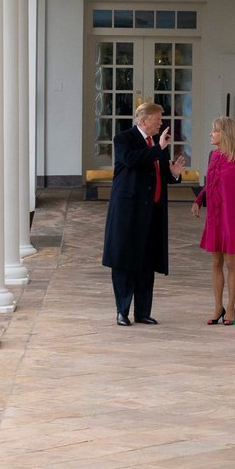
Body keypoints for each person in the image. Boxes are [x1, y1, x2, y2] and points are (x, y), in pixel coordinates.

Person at [102, 102, 186, 326]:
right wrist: (157, 149)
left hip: (152, 211)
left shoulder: (156, 144)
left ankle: (143, 312)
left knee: (147, 262)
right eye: (158, 119)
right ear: (143, 120)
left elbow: (158, 173)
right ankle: (122, 311)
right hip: (128, 213)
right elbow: (130, 160)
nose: (161, 123)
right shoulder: (123, 139)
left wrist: (174, 174)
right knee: (125, 262)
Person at [191, 116, 235, 326]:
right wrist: (198, 201)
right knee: (216, 261)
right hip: (215, 216)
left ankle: (232, 307)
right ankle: (218, 307)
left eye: (215, 130)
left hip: (231, 217)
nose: (211, 133)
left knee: (230, 262)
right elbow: (210, 184)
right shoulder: (213, 156)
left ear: (225, 134)